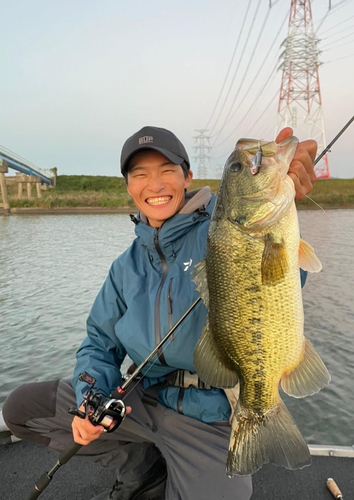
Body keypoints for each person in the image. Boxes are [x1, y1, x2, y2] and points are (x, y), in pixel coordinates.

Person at [3, 126, 317, 500]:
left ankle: (210, 450)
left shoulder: (224, 229)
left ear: (187, 177)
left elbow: (281, 277)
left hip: (206, 413)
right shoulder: (125, 267)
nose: (155, 184)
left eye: (167, 169)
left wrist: (287, 189)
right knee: (22, 409)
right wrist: (91, 399)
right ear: (128, 186)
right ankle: (144, 469)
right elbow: (99, 343)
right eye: (140, 174)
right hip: (136, 400)